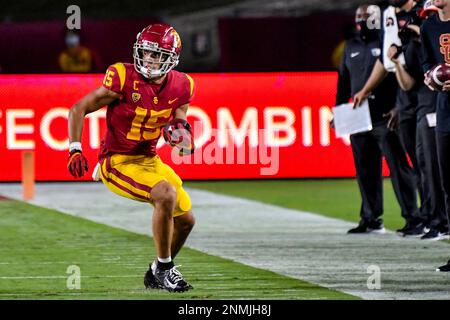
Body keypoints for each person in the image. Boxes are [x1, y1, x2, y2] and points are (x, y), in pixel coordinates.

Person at [67, 23, 197, 290]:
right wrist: (75, 148)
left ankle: (155, 271)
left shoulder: (183, 85)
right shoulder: (122, 76)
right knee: (165, 194)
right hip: (117, 161)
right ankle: (165, 269)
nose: (149, 59)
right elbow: (79, 107)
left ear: (171, 58)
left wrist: (182, 137)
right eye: (146, 52)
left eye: (156, 54)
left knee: (185, 221)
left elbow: (180, 121)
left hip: (149, 160)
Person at [336, 3, 419, 234]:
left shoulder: (384, 41)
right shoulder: (350, 46)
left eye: (368, 15)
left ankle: (413, 217)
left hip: (384, 115)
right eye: (360, 15)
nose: (363, 19)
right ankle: (370, 218)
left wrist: (397, 107)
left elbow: (395, 76)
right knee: (365, 170)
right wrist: (339, 111)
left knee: (398, 168)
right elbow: (343, 82)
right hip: (359, 117)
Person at [387, 0, 448, 240]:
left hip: (431, 109)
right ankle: (435, 221)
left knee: (431, 168)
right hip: (437, 108)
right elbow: (422, 75)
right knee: (434, 171)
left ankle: (437, 221)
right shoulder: (427, 32)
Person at [421, 0, 450, 271]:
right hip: (445, 113)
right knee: (448, 185)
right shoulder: (429, 26)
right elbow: (426, 66)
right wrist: (433, 77)